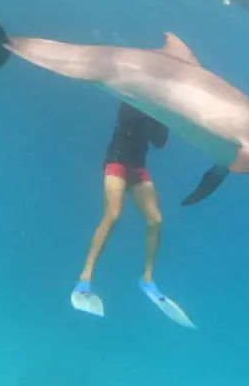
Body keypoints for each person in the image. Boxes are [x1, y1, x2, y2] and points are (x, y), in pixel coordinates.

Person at [72, 102, 178, 319]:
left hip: (138, 166)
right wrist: (156, 112)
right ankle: (85, 277)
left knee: (155, 220)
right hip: (117, 160)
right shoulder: (132, 99)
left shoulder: (158, 108)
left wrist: (165, 118)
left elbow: (159, 143)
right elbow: (130, 121)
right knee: (113, 213)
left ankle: (147, 279)